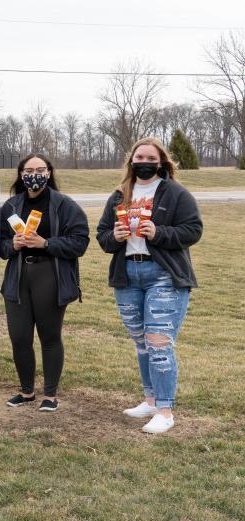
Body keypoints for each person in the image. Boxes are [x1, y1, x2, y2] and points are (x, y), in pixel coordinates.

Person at [96, 137, 202, 434]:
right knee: (142, 343)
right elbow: (102, 235)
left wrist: (159, 232)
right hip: (128, 274)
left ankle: (166, 411)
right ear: (131, 161)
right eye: (139, 157)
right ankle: (151, 400)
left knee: (158, 343)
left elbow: (193, 230)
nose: (144, 162)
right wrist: (114, 236)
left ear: (161, 162)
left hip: (163, 274)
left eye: (150, 157)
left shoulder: (176, 194)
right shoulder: (120, 195)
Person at [0, 153, 89, 412]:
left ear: (49, 173)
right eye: (29, 170)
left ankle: (50, 394)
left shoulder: (64, 204)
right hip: (18, 276)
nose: (34, 174)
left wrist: (46, 243)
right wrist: (11, 245)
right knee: (19, 337)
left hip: (50, 274)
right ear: (21, 174)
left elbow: (80, 241)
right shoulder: (11, 206)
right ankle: (26, 391)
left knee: (49, 336)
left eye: (40, 169)